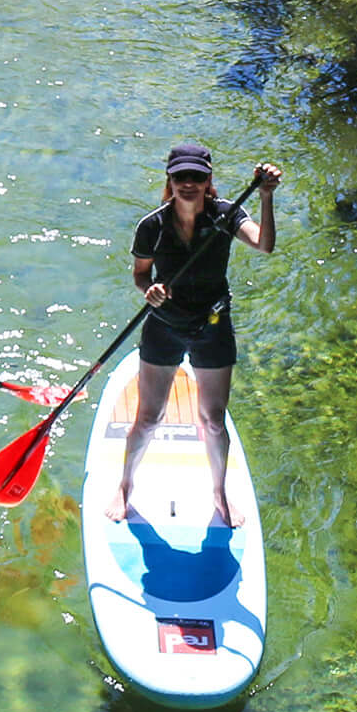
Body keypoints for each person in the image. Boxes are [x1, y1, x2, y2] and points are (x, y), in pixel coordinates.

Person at [111, 142, 280, 526]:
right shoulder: (151, 225)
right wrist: (148, 291)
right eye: (180, 177)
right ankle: (124, 486)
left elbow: (265, 245)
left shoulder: (227, 215)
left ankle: (219, 491)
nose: (189, 184)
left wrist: (266, 196)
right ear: (169, 181)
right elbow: (141, 275)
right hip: (165, 326)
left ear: (209, 181)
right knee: (149, 418)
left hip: (212, 327)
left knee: (213, 421)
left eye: (197, 177)